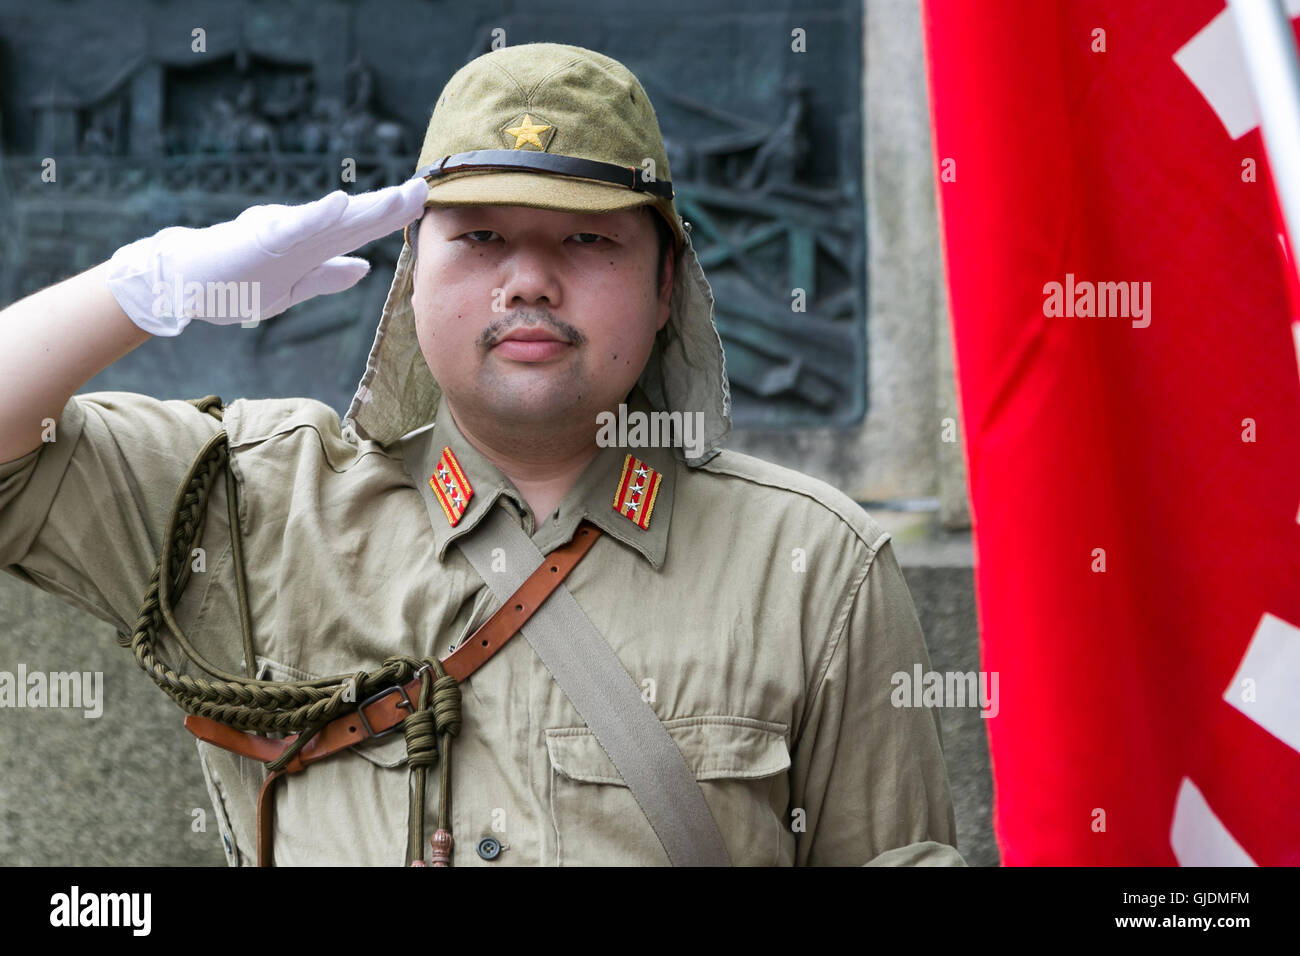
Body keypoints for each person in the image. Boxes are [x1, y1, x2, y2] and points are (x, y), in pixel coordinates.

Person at [0, 42, 964, 866]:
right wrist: (143, 290)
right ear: (412, 276)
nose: (531, 282)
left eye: (588, 239)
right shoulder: (256, 505)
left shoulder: (809, 565)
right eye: (482, 237)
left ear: (668, 284)